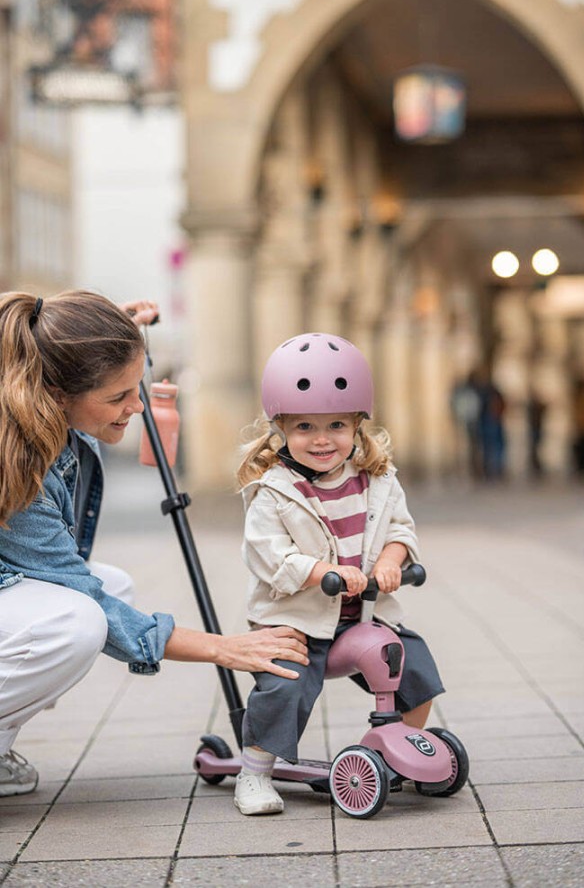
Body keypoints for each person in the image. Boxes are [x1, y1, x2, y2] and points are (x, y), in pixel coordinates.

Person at [0, 290, 308, 798]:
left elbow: (58, 349)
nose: (136, 406)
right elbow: (87, 599)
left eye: (133, 387)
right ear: (56, 394)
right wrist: (225, 649)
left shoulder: (40, 392)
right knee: (78, 621)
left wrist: (116, 327)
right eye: (119, 396)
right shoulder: (18, 466)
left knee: (114, 586)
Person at [233, 332, 444, 816]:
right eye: (305, 426)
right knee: (284, 683)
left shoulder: (378, 481)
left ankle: (404, 746)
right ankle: (256, 771)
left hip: (364, 615)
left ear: (358, 426)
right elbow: (270, 558)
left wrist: (391, 561)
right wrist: (321, 571)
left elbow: (400, 530)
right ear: (280, 428)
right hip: (299, 620)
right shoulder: (273, 492)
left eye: (336, 425)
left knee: (412, 663)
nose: (322, 439)